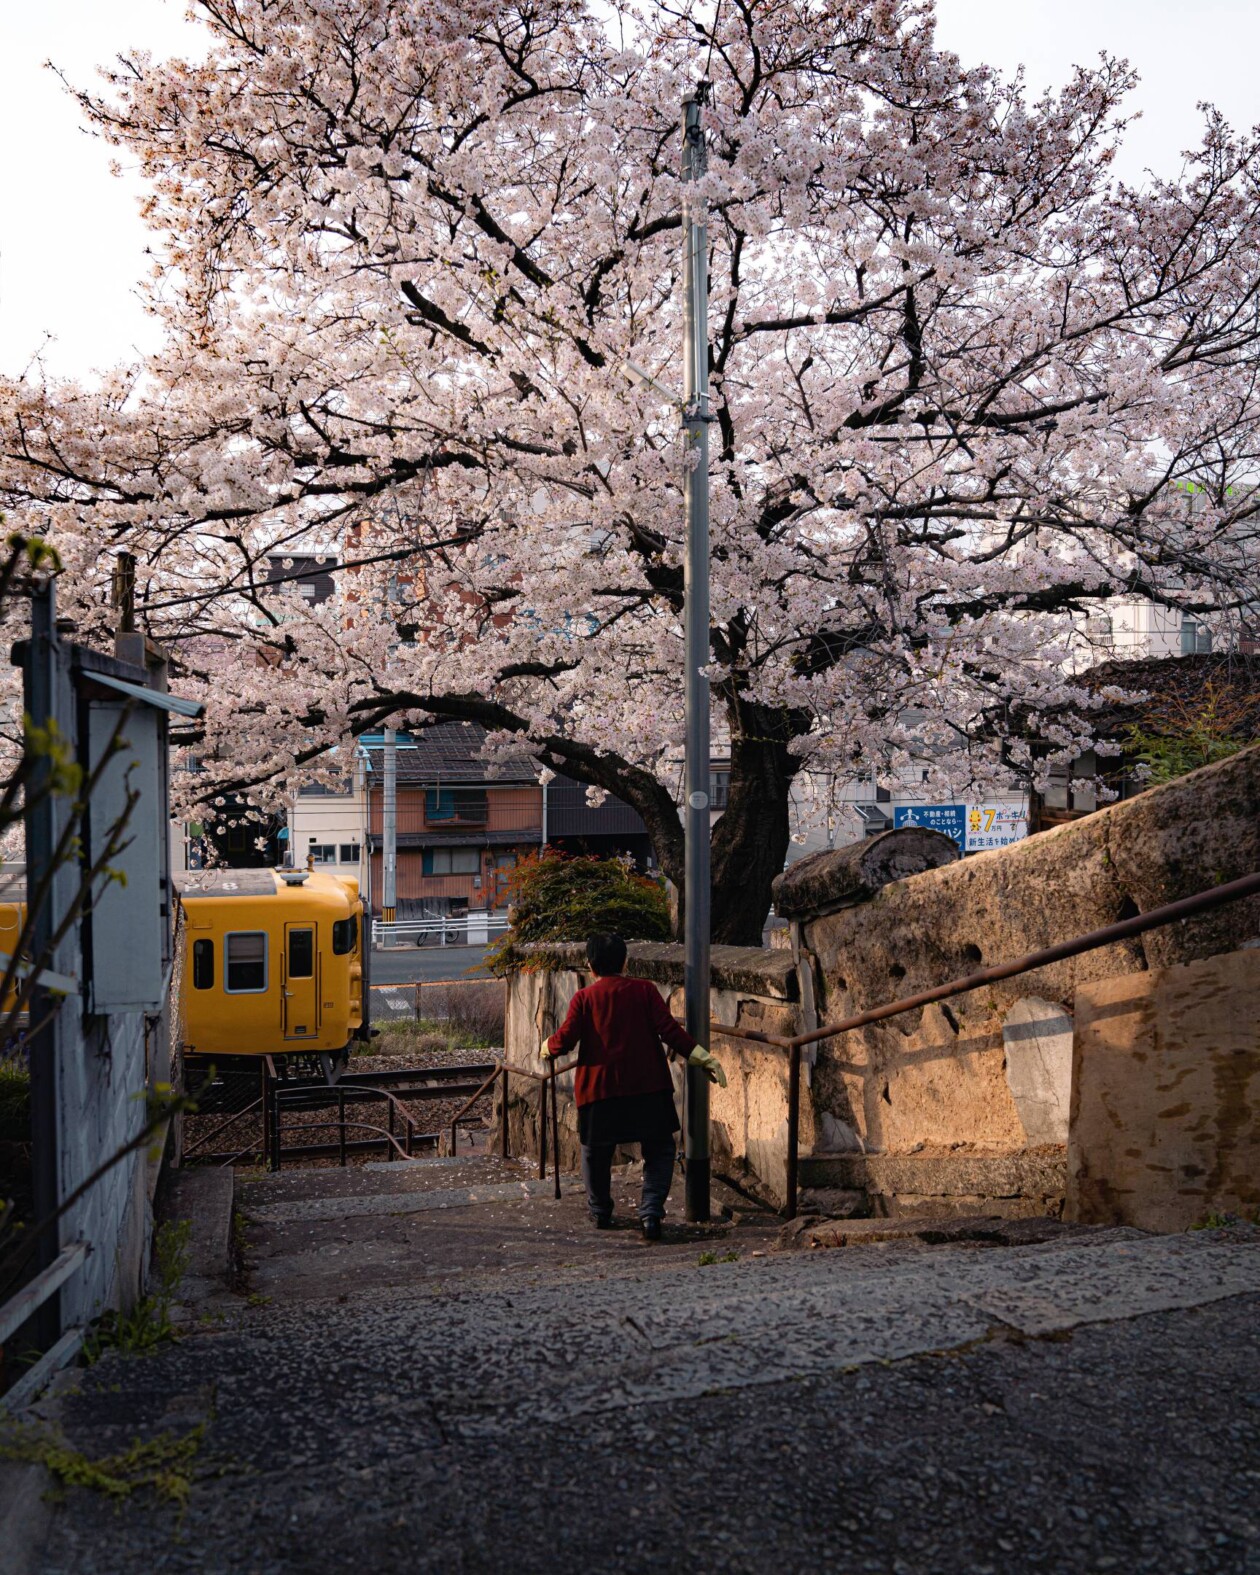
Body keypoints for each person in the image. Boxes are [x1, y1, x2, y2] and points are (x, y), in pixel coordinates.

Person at [541, 932, 726, 1241]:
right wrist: (702, 1057)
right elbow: (669, 1031)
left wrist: (547, 1046)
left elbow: (565, 1041)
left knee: (594, 1153)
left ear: (590, 966)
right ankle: (651, 1213)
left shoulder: (584, 998)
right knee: (660, 1150)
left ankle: (601, 1210)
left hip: (599, 1091)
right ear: (625, 962)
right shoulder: (644, 991)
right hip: (648, 1089)